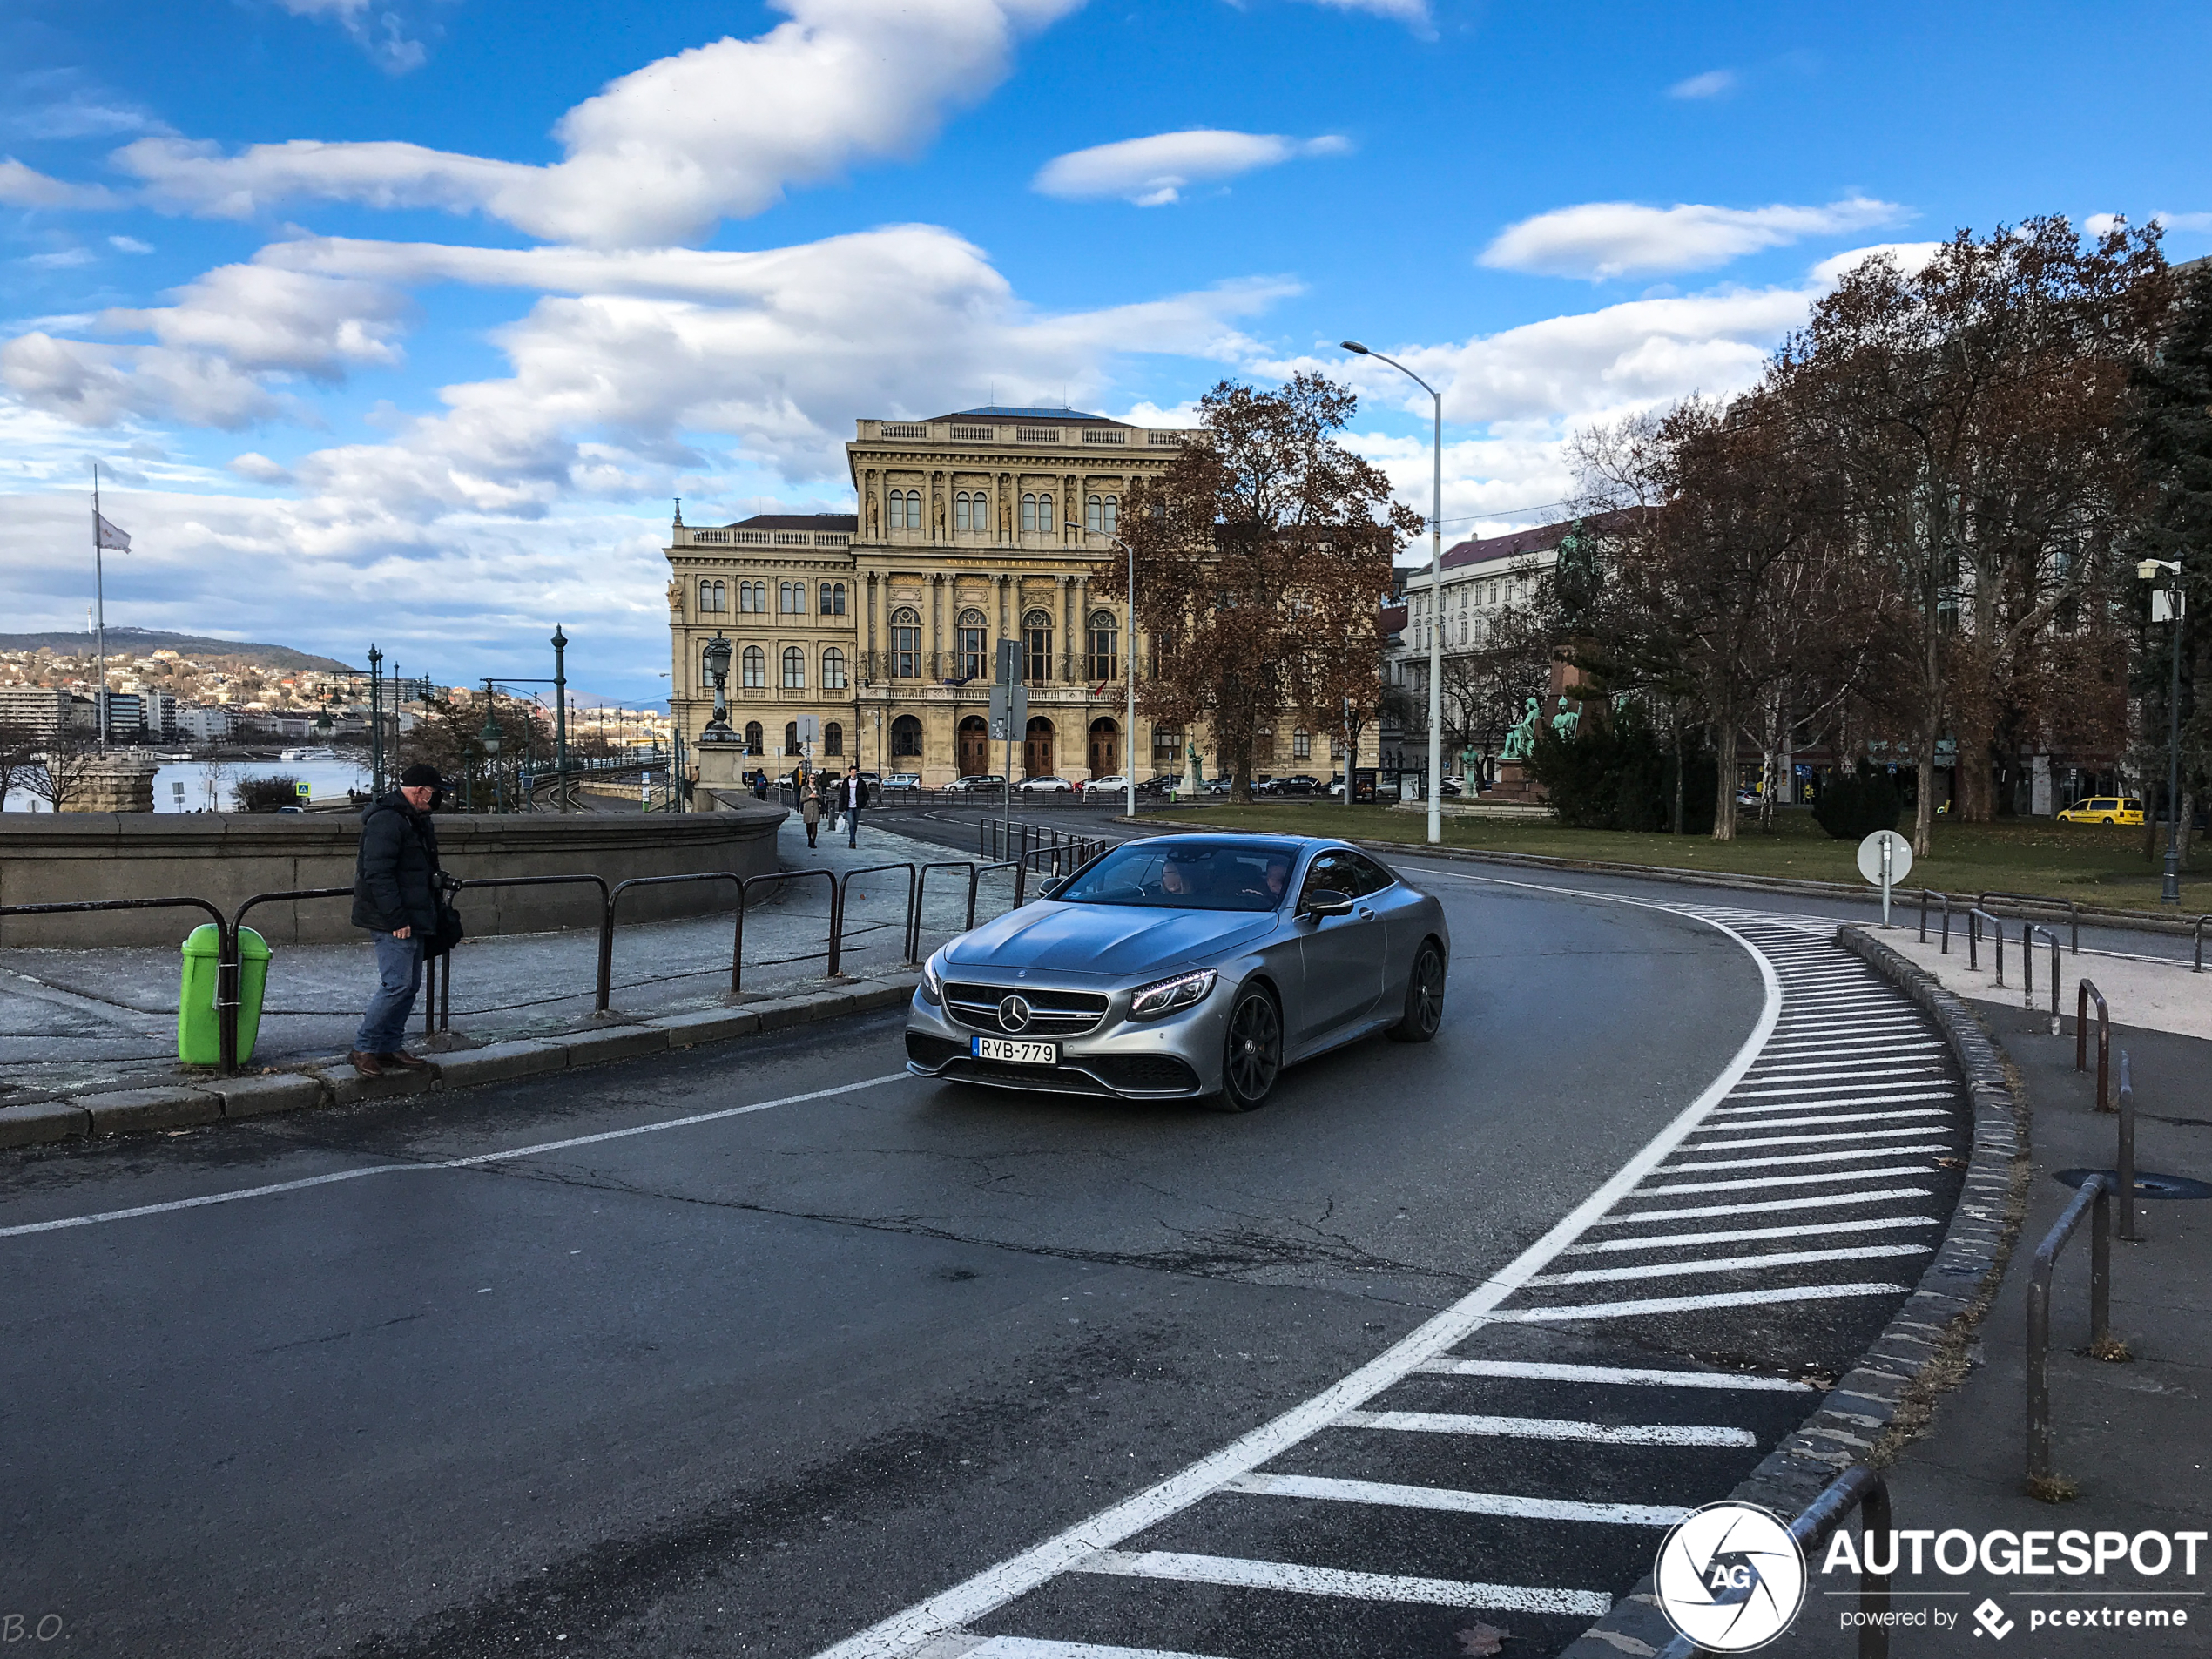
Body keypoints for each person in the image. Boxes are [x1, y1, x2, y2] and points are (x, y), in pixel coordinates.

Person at [348, 763, 445, 1076]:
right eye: (435, 792)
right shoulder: (389, 820)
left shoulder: (413, 818)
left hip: (413, 912)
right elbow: (377, 874)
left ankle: (389, 1045)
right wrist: (396, 918)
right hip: (394, 917)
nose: (438, 798)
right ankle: (365, 1047)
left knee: (409, 985)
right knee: (397, 984)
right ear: (421, 791)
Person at [840, 763, 870, 848]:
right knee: (851, 824)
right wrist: (841, 808)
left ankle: (851, 839)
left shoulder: (860, 782)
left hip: (857, 806)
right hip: (848, 806)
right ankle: (853, 841)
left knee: (855, 824)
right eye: (852, 772)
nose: (854, 774)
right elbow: (842, 795)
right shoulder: (846, 782)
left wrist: (863, 803)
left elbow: (866, 794)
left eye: (855, 772)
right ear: (849, 773)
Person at [800, 772, 823, 847]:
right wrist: (809, 797)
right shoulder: (804, 788)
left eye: (814, 778)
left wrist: (817, 797)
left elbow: (821, 799)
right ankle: (809, 839)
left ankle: (813, 841)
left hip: (816, 808)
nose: (812, 779)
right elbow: (801, 799)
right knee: (808, 826)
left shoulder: (818, 788)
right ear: (808, 779)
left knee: (814, 825)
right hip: (807, 808)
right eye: (811, 777)